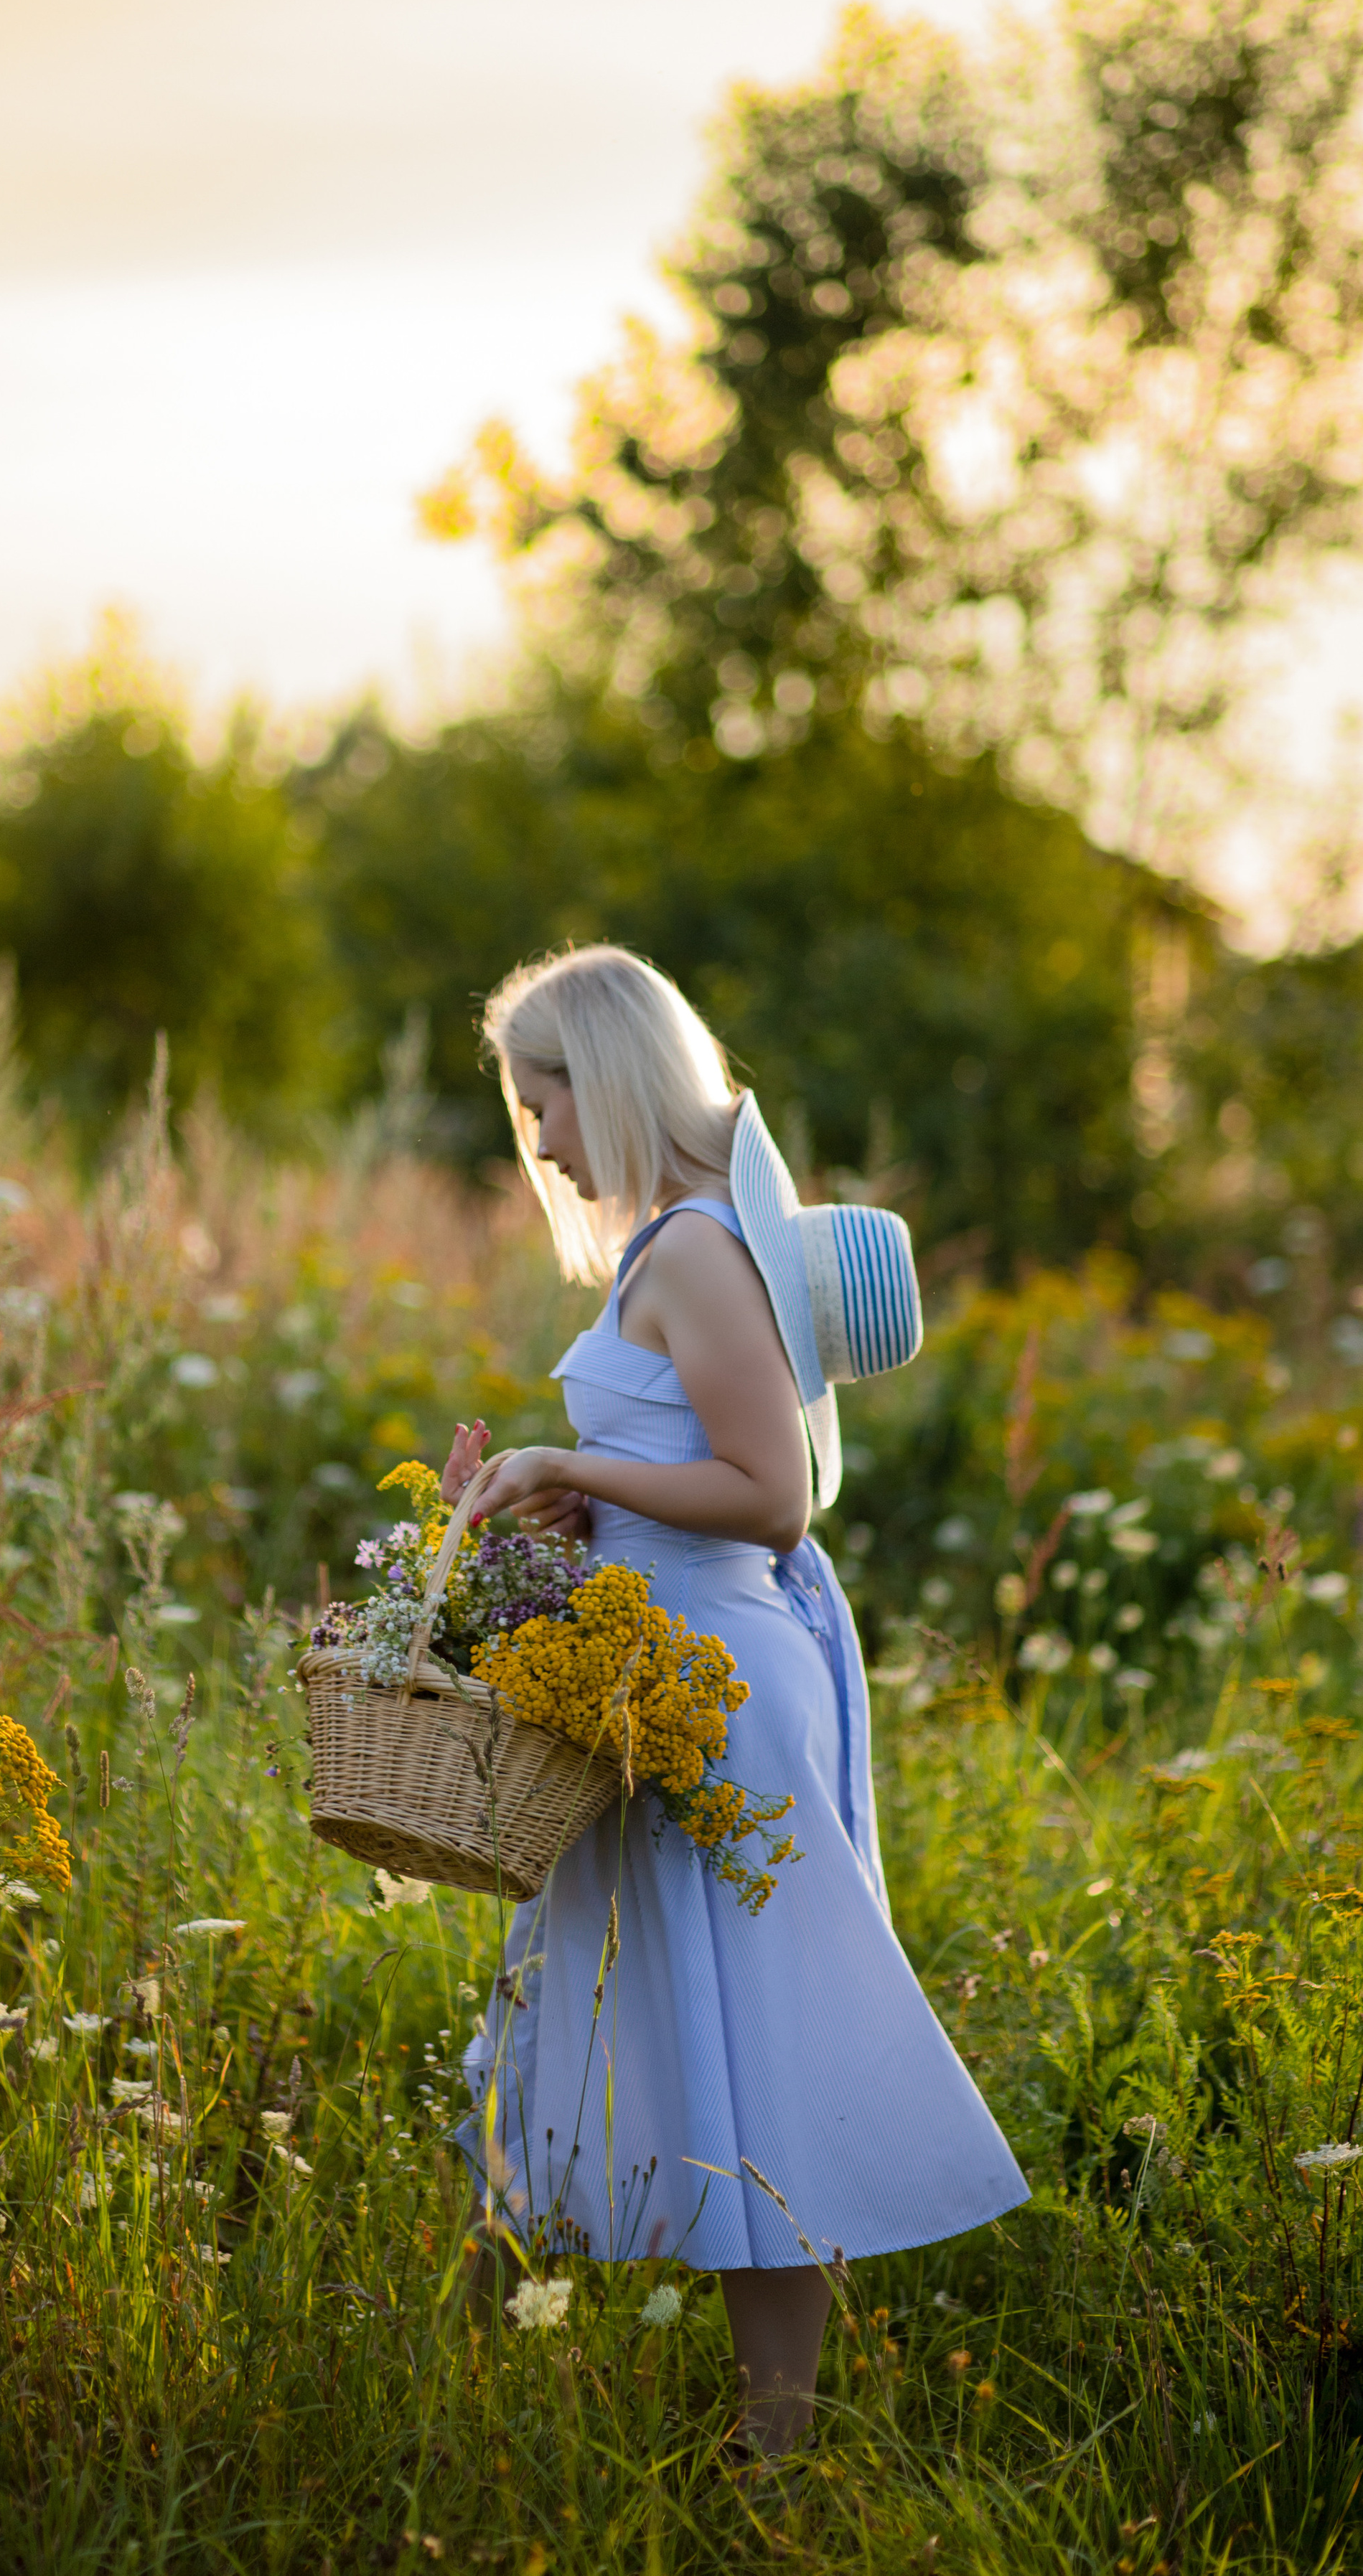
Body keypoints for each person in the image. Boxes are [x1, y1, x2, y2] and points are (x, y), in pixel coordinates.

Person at [448, 944, 1027, 2461]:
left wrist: (569, 1467)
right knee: (681, 2029)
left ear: (610, 1076)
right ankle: (739, 2441)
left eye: (543, 1103)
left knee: (765, 2040)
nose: (543, 1143)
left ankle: (774, 2457)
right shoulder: (679, 1244)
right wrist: (571, 1520)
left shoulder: (695, 1247)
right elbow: (698, 1483)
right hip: (668, 1670)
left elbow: (769, 1499)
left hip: (717, 1690)